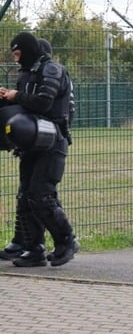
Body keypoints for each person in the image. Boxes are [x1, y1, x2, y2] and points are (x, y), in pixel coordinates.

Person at [0, 32, 79, 267]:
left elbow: (44, 103)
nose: (16, 59)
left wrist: (17, 95)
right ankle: (33, 247)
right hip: (31, 142)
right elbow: (23, 105)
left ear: (27, 50)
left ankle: (67, 240)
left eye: (17, 54)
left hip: (52, 141)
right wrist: (8, 98)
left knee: (41, 194)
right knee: (26, 196)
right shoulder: (27, 73)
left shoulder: (52, 70)